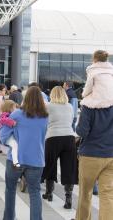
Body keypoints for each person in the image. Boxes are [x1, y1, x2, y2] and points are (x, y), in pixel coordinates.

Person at [71, 52, 113, 220]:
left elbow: (82, 131)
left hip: (91, 154)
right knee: (108, 194)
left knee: (85, 193)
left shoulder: (89, 104)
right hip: (111, 154)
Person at [0, 86, 48, 220]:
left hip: (16, 159)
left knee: (10, 190)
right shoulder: (45, 117)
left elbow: (3, 136)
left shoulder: (16, 114)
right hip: (36, 159)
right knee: (35, 192)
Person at [41, 86, 77, 209]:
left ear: (52, 94)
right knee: (69, 167)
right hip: (69, 138)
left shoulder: (48, 105)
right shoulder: (70, 106)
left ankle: (49, 193)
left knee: (50, 165)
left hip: (53, 137)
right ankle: (68, 198)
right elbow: (71, 120)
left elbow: (43, 121)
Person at [0, 100, 19, 167]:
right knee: (15, 145)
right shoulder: (4, 114)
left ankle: (15, 161)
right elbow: (2, 120)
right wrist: (12, 122)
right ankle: (15, 162)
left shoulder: (9, 114)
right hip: (5, 136)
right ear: (10, 108)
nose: (15, 109)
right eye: (14, 107)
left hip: (7, 135)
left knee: (15, 146)